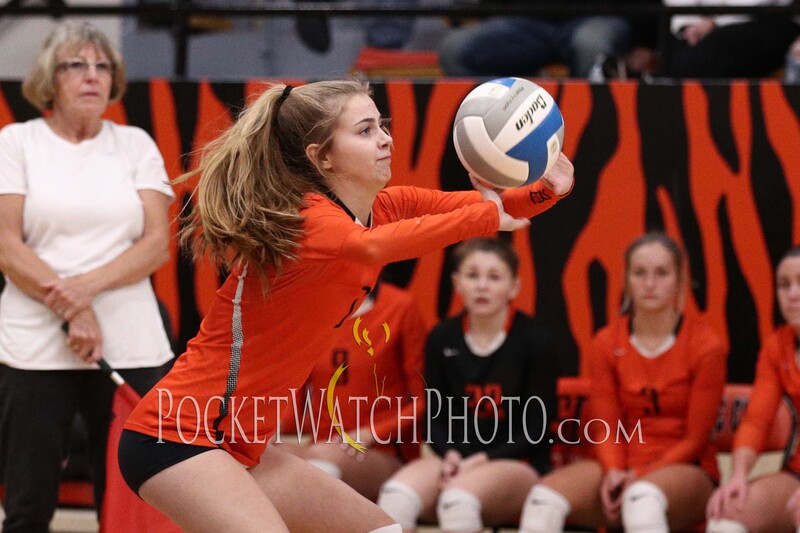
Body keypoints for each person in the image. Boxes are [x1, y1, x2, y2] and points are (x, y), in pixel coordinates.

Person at [117, 76, 575, 533]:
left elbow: (499, 207)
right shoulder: (311, 221)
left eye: (382, 125)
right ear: (323, 157)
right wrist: (491, 212)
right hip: (178, 435)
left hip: (240, 441)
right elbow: (376, 247)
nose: (386, 139)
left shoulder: (383, 208)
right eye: (365, 131)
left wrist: (549, 189)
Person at [0, 20, 176, 533]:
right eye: (76, 65)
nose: (91, 76)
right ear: (48, 78)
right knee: (29, 502)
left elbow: (155, 245)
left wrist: (83, 292)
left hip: (133, 341)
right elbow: (8, 247)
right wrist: (75, 309)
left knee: (132, 499)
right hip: (33, 340)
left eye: (102, 66)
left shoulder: (135, 143)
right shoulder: (16, 142)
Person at [518, 232, 728, 533]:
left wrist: (642, 474)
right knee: (542, 501)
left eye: (662, 273)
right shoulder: (606, 342)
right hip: (618, 462)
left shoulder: (705, 345)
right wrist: (615, 472)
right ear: (627, 280)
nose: (650, 283)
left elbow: (695, 440)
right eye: (640, 273)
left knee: (641, 502)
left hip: (684, 467)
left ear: (681, 280)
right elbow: (606, 425)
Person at [377, 237, 559, 533]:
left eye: (494, 277)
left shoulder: (535, 341)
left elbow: (536, 428)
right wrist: (448, 453)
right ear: (457, 283)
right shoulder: (441, 338)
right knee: (395, 498)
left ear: (514, 286)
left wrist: (480, 460)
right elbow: (434, 416)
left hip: (517, 461)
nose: (482, 286)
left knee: (457, 501)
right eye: (473, 276)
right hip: (455, 460)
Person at [276, 277, 428, 502]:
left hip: (383, 452)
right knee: (269, 455)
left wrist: (370, 433)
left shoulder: (400, 306)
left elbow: (424, 402)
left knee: (321, 459)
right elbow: (294, 412)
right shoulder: (311, 311)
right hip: (321, 447)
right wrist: (265, 432)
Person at [705, 247, 800, 533]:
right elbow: (757, 420)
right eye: (784, 285)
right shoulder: (777, 346)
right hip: (795, 474)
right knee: (726, 513)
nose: (793, 294)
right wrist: (738, 475)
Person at [437, 0, 632, 78]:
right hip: (523, 15)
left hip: (598, 13)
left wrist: (646, 41)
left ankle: (591, 139)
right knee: (456, 50)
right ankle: (493, 134)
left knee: (592, 46)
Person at [661, 0, 800, 78]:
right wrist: (688, 25)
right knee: (672, 55)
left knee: (699, 59)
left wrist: (717, 22)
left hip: (767, 18)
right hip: (698, 25)